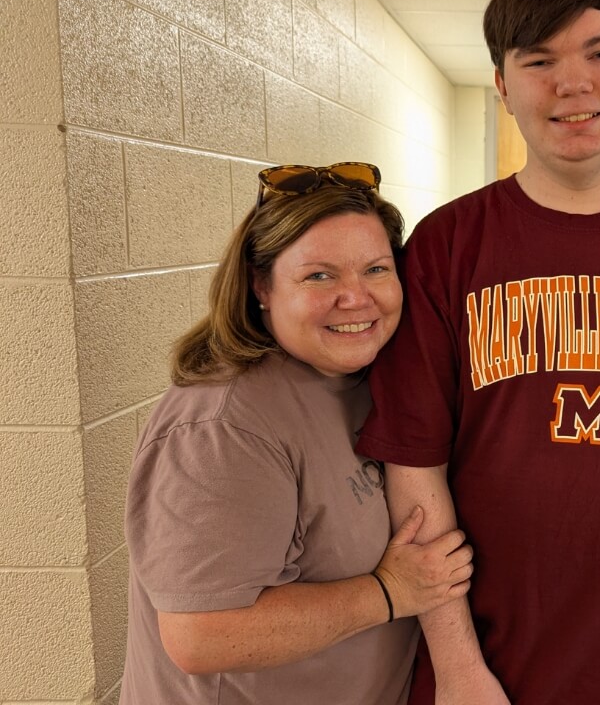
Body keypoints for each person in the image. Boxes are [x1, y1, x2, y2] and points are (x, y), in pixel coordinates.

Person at [357, 0, 600, 705]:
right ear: (503, 86)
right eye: (539, 61)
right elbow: (415, 467)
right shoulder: (446, 245)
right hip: (492, 663)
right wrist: (457, 664)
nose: (574, 83)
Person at [121, 163, 474, 704]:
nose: (355, 297)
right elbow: (201, 635)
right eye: (319, 276)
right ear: (261, 285)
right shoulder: (222, 427)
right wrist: (389, 592)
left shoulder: (365, 379)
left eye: (376, 269)